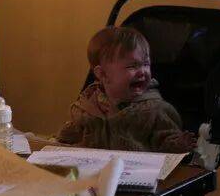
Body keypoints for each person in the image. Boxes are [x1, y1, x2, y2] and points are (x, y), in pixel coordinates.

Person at [56, 26, 195, 153]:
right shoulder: (87, 106)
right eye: (132, 66)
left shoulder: (155, 110)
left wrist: (178, 144)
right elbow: (72, 134)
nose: (142, 71)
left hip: (136, 170)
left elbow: (166, 141)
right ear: (103, 74)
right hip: (92, 168)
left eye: (146, 64)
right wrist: (61, 140)